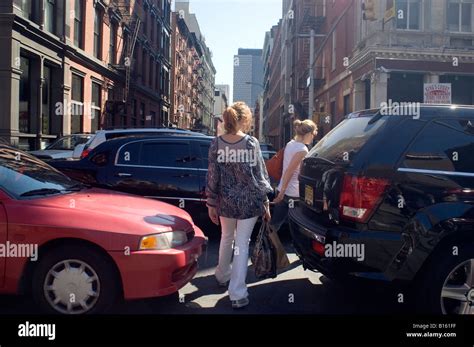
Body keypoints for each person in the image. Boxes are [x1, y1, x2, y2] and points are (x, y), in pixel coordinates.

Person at [206, 101, 273, 309]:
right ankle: (237, 293)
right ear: (244, 120)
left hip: (225, 201)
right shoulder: (251, 143)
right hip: (248, 202)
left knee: (226, 238)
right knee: (242, 244)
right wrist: (266, 201)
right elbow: (260, 176)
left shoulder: (216, 144)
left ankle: (221, 275)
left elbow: (212, 176)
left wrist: (210, 202)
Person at [269, 119, 317, 233]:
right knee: (299, 228)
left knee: (275, 225)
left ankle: (265, 246)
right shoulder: (302, 150)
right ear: (308, 134)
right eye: (313, 134)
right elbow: (289, 171)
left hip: (283, 190)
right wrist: (282, 193)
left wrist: (281, 191)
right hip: (293, 194)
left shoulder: (290, 144)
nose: (313, 137)